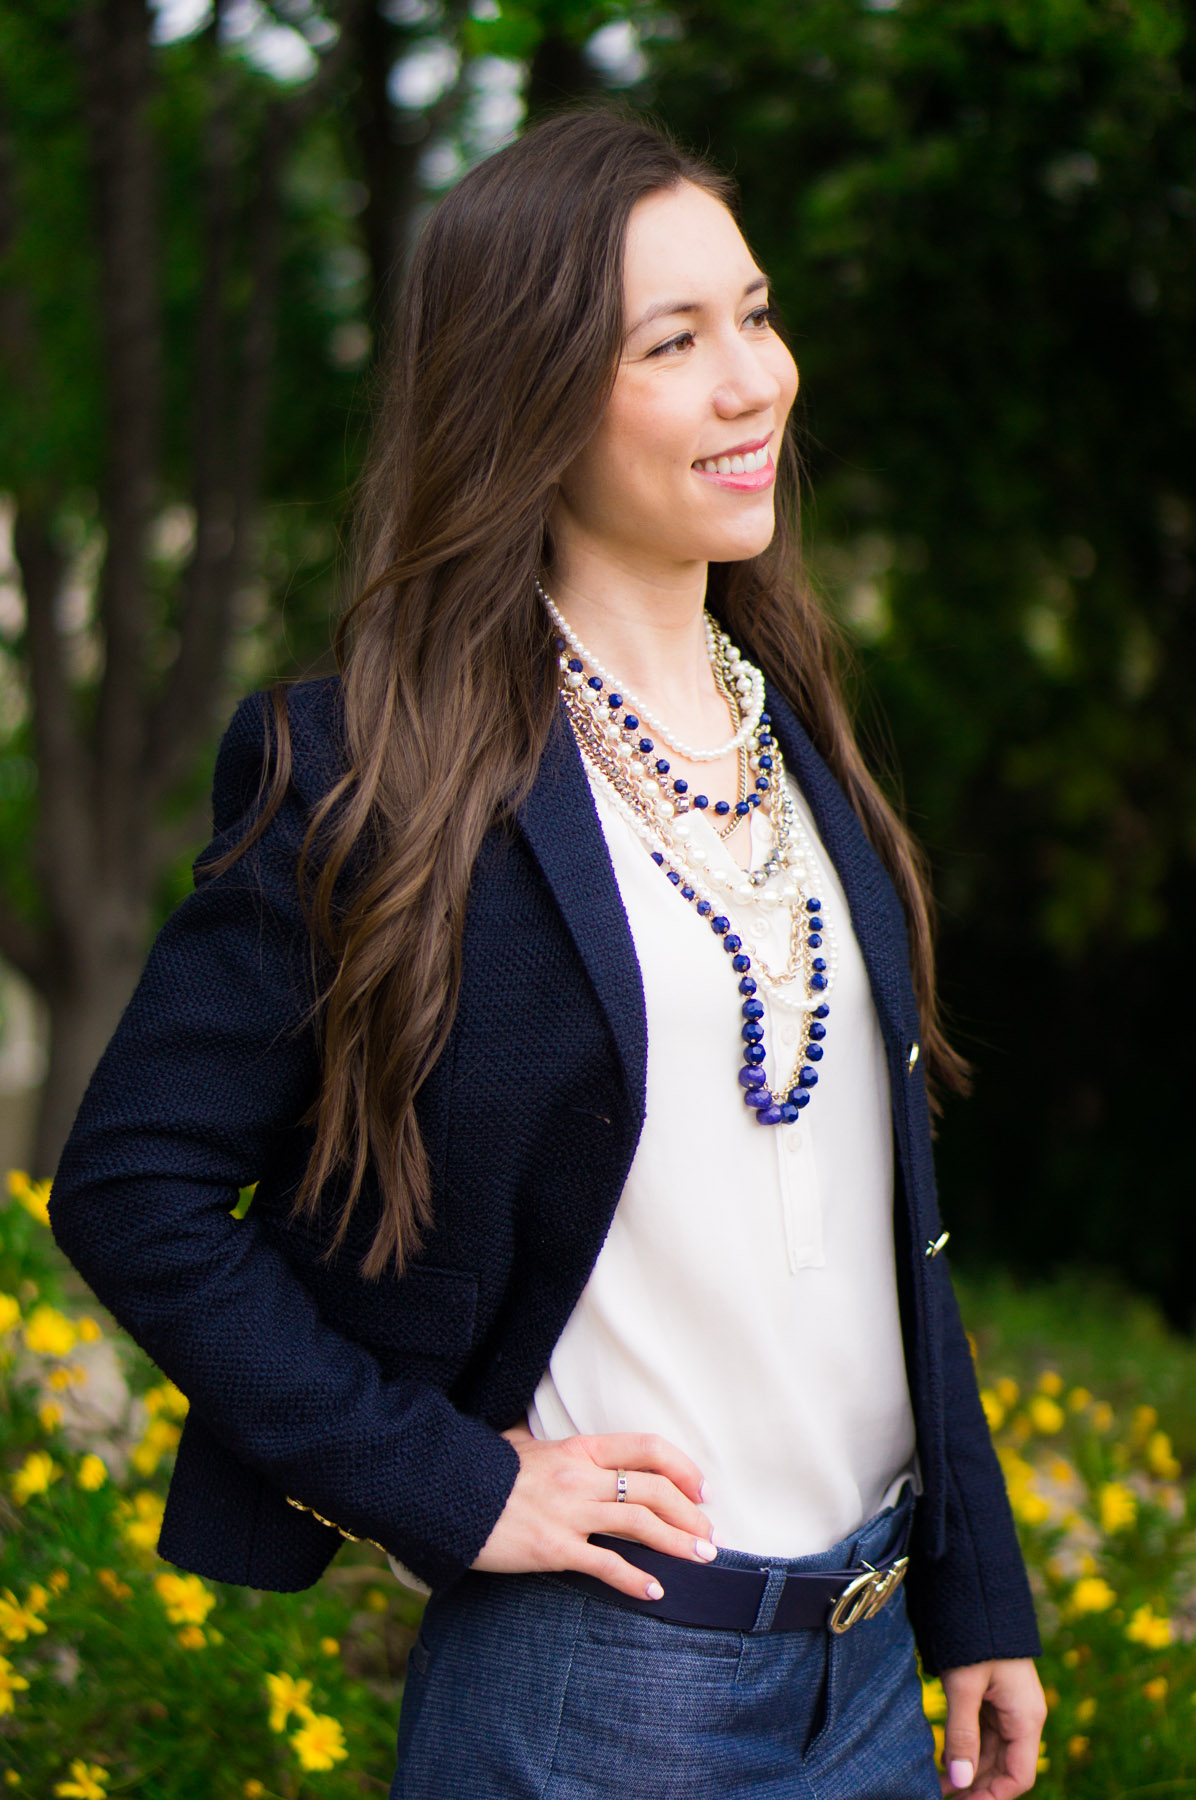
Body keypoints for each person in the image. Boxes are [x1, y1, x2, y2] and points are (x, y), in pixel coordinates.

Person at [49, 107, 1046, 1799]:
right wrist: (446, 1481)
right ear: (525, 395)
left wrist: (976, 1595)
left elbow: (888, 1212)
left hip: (875, 1684)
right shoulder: (373, 770)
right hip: (602, 1693)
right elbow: (129, 1182)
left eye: (756, 312)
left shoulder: (801, 738)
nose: (757, 382)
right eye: (675, 341)